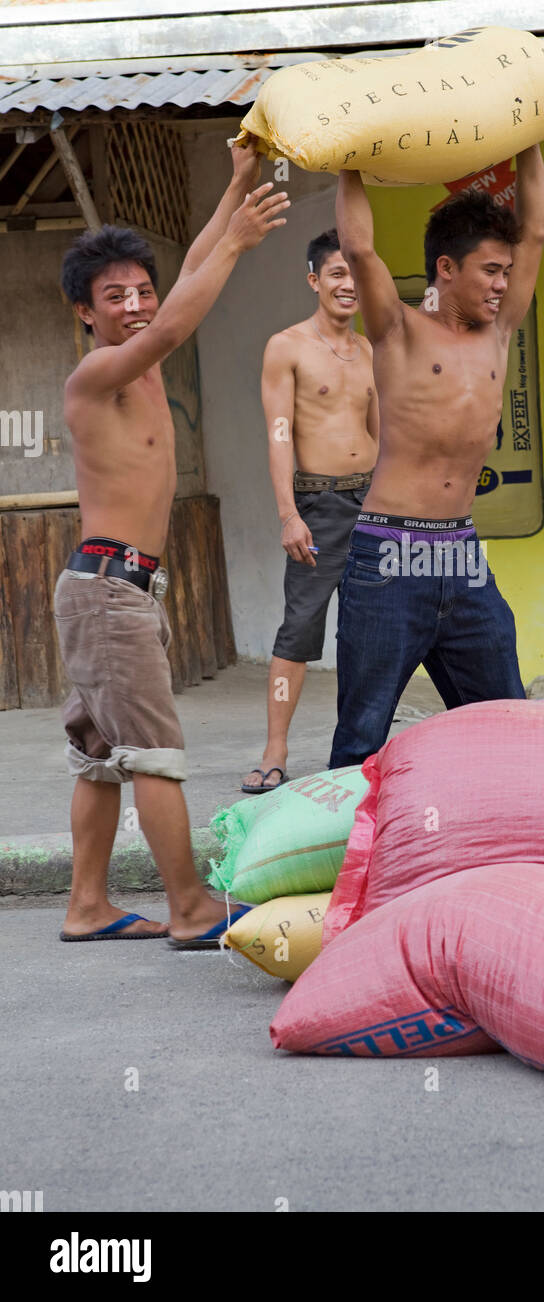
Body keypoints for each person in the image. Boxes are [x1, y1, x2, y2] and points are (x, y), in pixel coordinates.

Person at [55, 144, 289, 947]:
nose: (134, 304)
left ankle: (87, 905)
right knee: (153, 754)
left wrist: (233, 186)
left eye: (141, 290)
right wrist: (239, 243)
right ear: (85, 314)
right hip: (108, 593)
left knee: (98, 755)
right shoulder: (100, 376)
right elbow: (183, 311)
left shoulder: (143, 356)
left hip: (115, 591)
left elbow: (186, 276)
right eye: (113, 296)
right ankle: (190, 908)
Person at [329, 146, 544, 768]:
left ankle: (502, 855)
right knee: (361, 737)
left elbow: (534, 230)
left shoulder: (500, 331)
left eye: (507, 272)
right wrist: (348, 162)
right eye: (490, 271)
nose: (503, 284)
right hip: (388, 555)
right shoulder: (396, 329)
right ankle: (350, 864)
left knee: (508, 722)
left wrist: (530, 139)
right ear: (446, 269)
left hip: (461, 553)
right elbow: (361, 249)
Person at [240, 228, 377, 792]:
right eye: (337, 274)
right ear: (314, 279)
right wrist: (288, 514)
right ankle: (274, 751)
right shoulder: (287, 345)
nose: (348, 285)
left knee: (371, 631)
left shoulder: (370, 350)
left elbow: (379, 432)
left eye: (355, 275)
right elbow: (278, 434)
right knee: (298, 630)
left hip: (373, 503)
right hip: (318, 504)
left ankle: (361, 752)